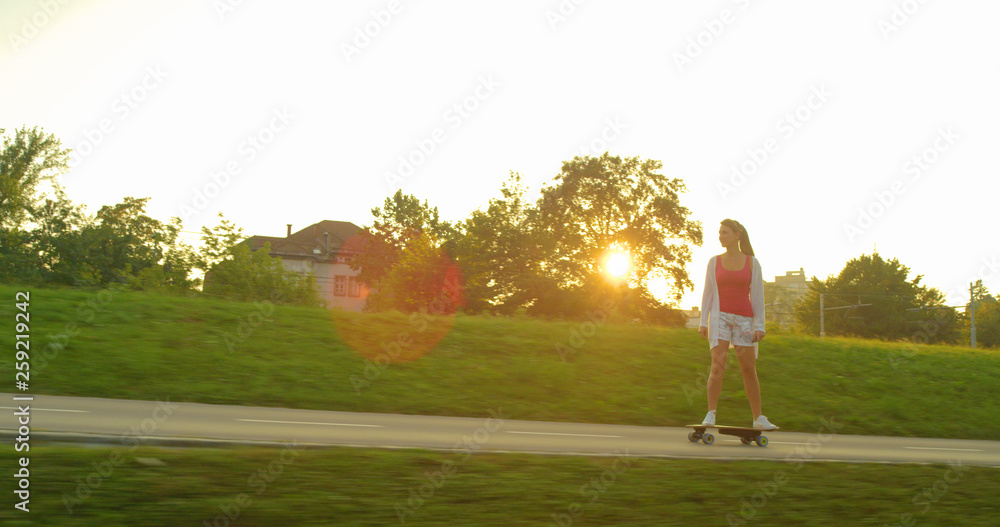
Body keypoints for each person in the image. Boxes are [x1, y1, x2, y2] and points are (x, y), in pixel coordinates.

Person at [697, 219, 777, 430]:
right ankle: (711, 414)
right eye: (720, 233)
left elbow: (758, 296)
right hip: (719, 318)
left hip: (744, 320)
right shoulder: (714, 262)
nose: (721, 236)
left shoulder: (752, 263)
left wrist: (760, 326)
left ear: (737, 234)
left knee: (749, 370)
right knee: (718, 366)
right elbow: (707, 294)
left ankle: (758, 418)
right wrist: (702, 321)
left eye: (725, 233)